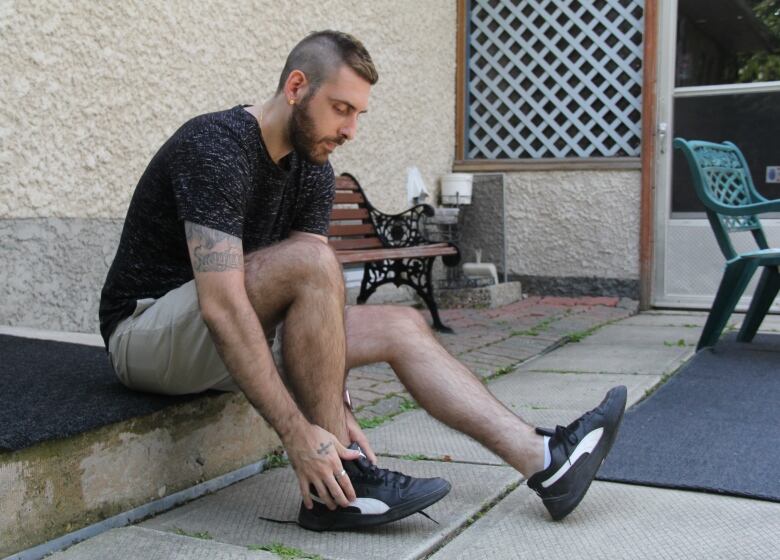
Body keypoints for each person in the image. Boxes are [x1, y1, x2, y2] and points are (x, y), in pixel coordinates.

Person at [99, 30, 627, 531]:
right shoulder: (216, 145)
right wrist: (299, 431)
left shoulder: (312, 169)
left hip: (229, 337)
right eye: (342, 109)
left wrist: (336, 401)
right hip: (148, 336)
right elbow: (222, 306)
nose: (351, 130)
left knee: (402, 324)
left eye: (359, 114)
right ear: (297, 87)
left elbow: (316, 304)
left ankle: (542, 458)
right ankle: (340, 489)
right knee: (311, 260)